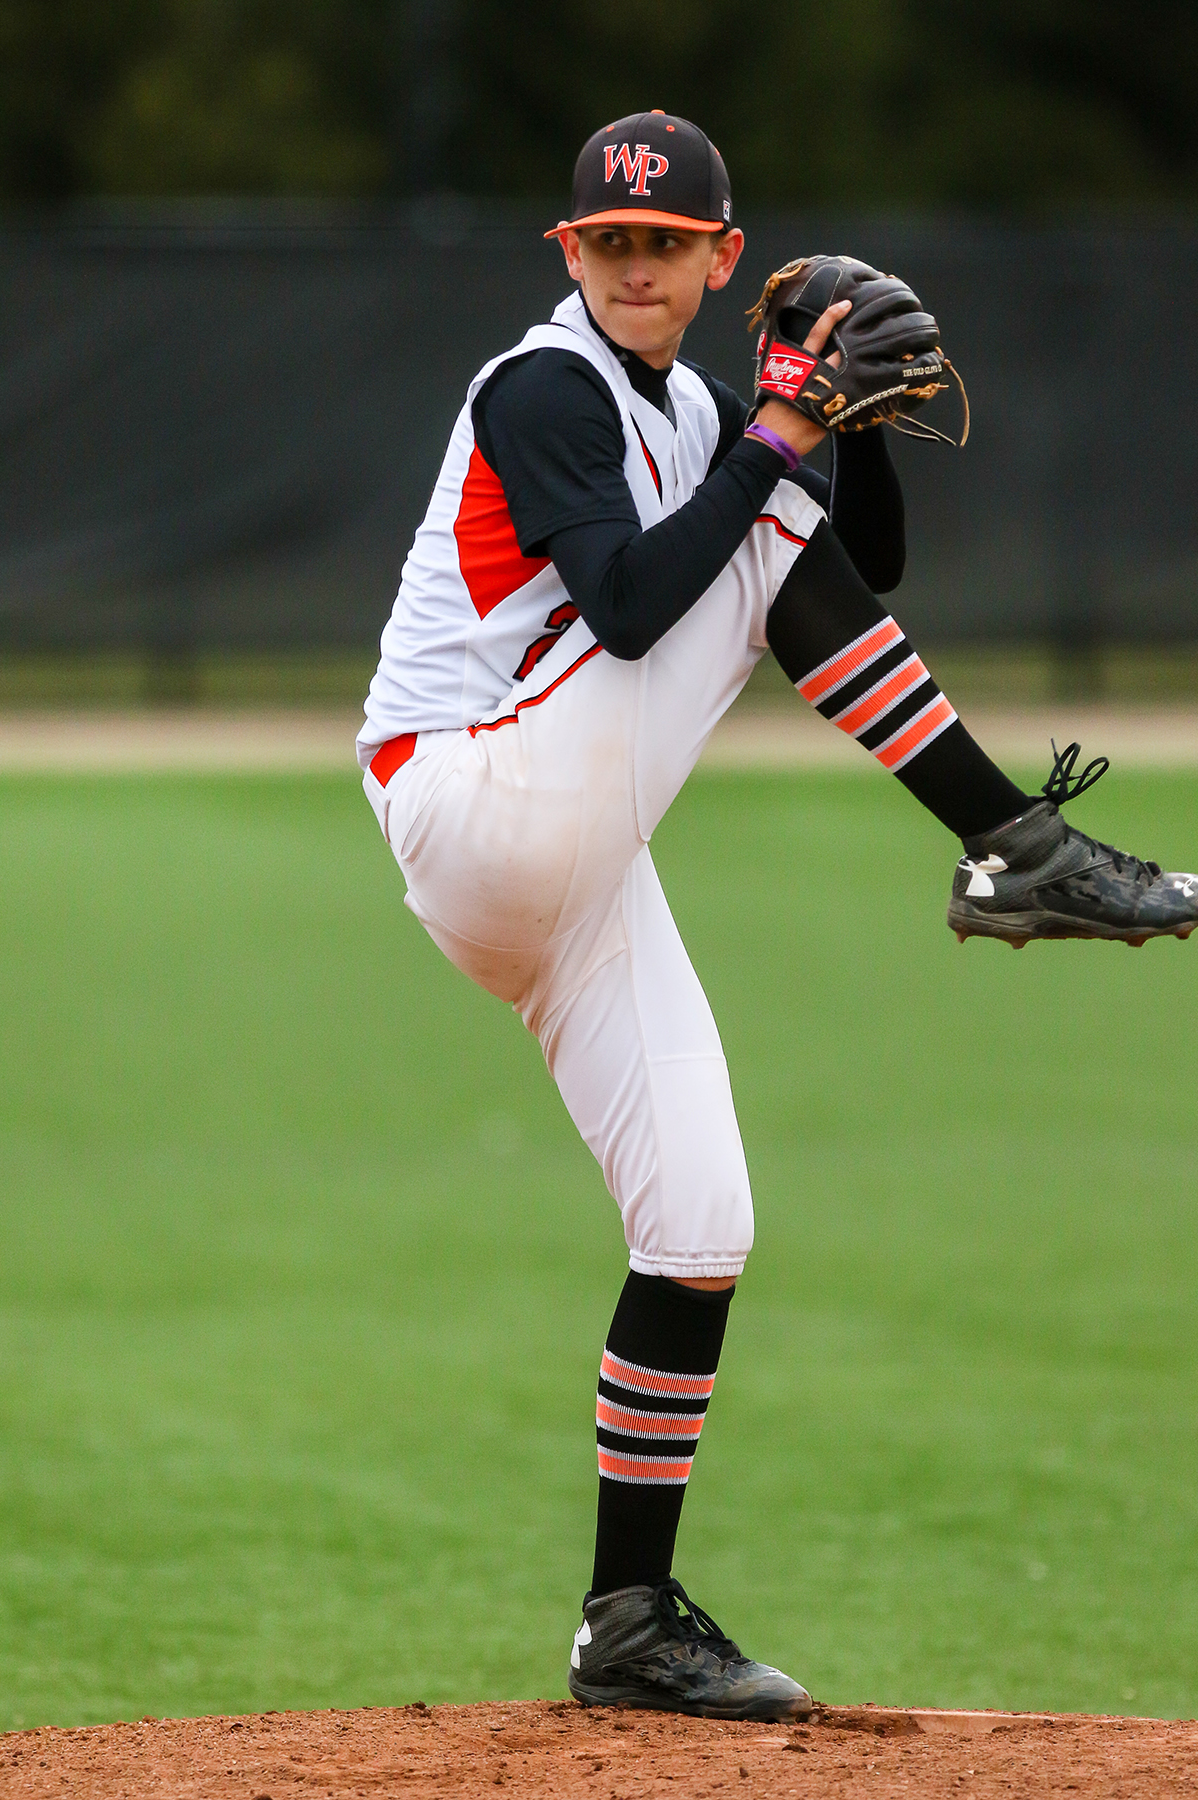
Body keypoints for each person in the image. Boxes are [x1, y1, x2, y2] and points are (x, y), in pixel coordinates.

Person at [358, 111, 1198, 1720]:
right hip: (470, 795)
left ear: (719, 258)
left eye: (667, 245)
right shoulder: (544, 387)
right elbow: (629, 605)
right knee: (748, 536)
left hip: (574, 867)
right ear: (571, 253)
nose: (637, 267)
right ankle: (1019, 844)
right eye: (612, 243)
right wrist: (787, 428)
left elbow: (855, 558)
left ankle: (627, 1620)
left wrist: (846, 427)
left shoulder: (699, 409)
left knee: (699, 1230)